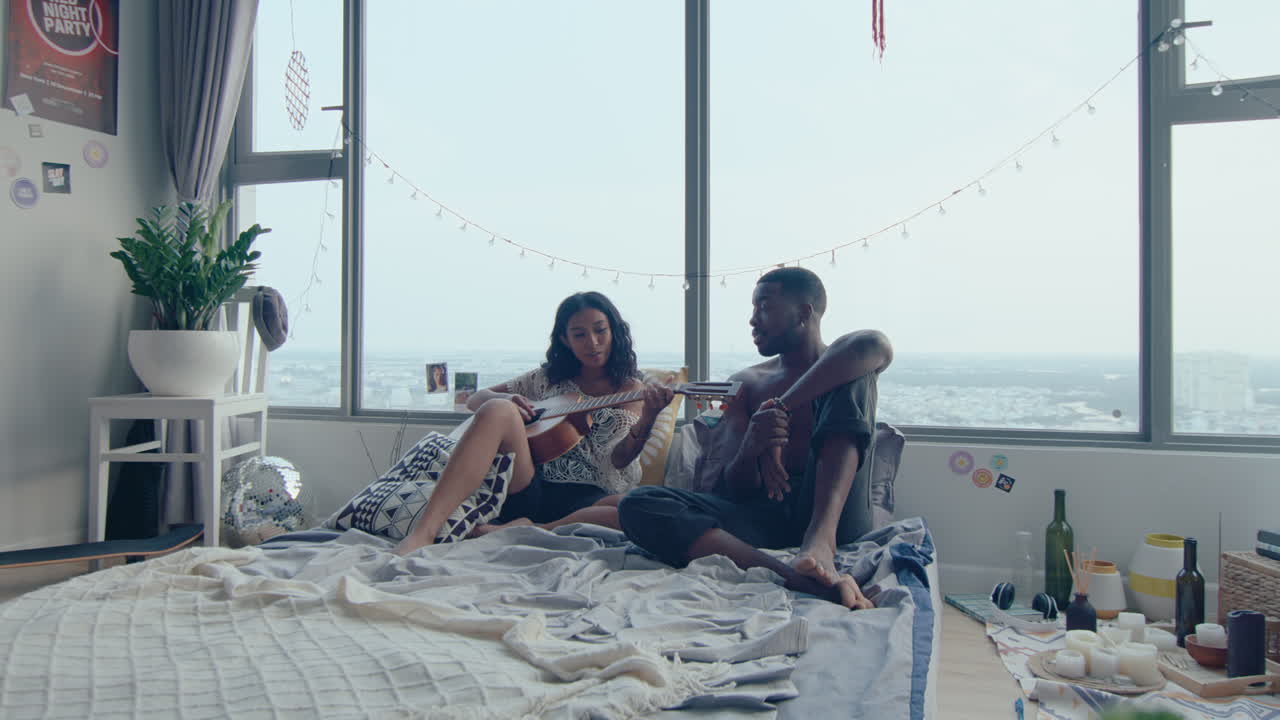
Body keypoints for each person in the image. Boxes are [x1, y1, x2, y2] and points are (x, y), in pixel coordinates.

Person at [616, 268, 892, 609]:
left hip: (840, 517)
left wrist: (780, 407)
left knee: (852, 377)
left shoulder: (849, 361)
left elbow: (873, 345)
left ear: (804, 312)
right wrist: (755, 442)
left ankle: (821, 541)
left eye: (764, 307)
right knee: (637, 504)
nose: (752, 320)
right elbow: (732, 488)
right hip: (765, 517)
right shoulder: (747, 383)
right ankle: (795, 577)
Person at [394, 292, 674, 555]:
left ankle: (529, 530)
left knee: (630, 509)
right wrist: (511, 399)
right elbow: (475, 398)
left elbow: (621, 459)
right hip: (530, 486)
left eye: (600, 330)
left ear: (614, 331)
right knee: (497, 408)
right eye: (579, 334)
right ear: (565, 340)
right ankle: (423, 533)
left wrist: (649, 416)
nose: (592, 342)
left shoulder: (630, 388)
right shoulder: (547, 378)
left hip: (591, 497)